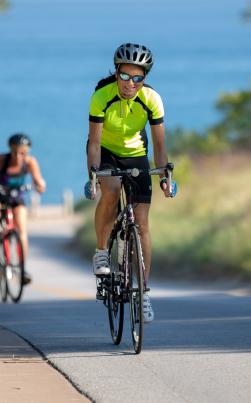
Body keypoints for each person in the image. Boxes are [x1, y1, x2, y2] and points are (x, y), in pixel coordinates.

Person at [85, 43, 173, 323]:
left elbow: (160, 143)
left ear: (144, 78)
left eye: (138, 78)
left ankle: (143, 292)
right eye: (125, 76)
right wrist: (93, 175)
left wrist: (165, 175)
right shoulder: (102, 96)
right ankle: (101, 253)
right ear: (116, 73)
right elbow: (95, 142)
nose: (130, 84)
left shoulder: (152, 99)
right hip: (107, 153)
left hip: (137, 155)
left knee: (143, 224)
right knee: (110, 193)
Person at [0, 133, 47, 285]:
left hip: (14, 196)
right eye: (16, 152)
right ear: (10, 150)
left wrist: (40, 185)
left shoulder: (30, 162)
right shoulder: (1, 160)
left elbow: (38, 179)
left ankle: (22, 267)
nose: (19, 155)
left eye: (23, 152)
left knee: (22, 228)